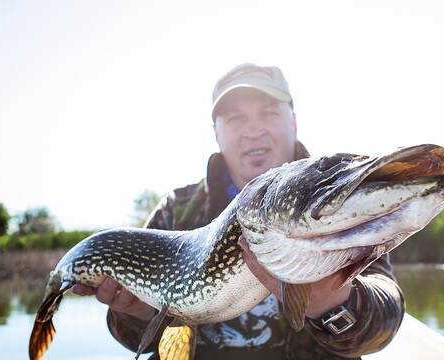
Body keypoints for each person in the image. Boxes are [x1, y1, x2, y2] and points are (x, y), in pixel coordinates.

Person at [73, 63, 405, 359]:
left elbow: (383, 323)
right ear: (216, 133)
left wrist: (333, 304)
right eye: (236, 118)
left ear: (294, 121)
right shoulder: (177, 211)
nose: (253, 130)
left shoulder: (334, 201)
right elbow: (134, 340)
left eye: (269, 113)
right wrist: (137, 315)